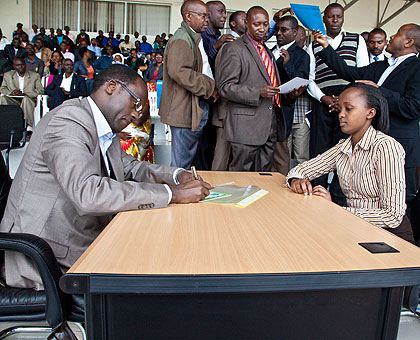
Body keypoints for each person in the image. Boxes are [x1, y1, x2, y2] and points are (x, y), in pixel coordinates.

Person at [0, 64, 211, 292]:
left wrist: (177, 176)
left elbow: (131, 168)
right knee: (158, 265)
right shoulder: (68, 122)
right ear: (112, 87)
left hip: (76, 239)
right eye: (135, 103)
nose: (135, 115)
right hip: (45, 256)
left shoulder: (100, 126)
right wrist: (171, 194)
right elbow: (87, 193)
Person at [287, 82, 414, 243]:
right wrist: (296, 181)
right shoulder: (343, 147)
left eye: (349, 108)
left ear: (370, 113)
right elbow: (301, 169)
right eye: (339, 109)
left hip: (389, 237)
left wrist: (335, 210)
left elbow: (392, 216)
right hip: (354, 229)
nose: (341, 115)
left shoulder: (385, 147)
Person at [312, 23, 420, 206]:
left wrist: (379, 92)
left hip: (398, 145)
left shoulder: (416, 68)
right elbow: (349, 72)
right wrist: (326, 47)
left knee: (397, 203)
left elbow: (413, 107)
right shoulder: (380, 66)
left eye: (397, 33)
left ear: (409, 42)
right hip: (367, 146)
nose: (391, 37)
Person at [307, 3, 369, 206]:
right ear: (324, 19)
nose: (335, 20)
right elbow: (310, 77)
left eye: (339, 17)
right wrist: (324, 98)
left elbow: (362, 74)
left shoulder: (356, 39)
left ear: (343, 19)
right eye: (331, 17)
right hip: (323, 104)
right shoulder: (314, 43)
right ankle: (317, 197)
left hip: (350, 109)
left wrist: (344, 102)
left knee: (346, 152)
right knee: (320, 150)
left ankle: (339, 201)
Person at [215, 6, 286, 172]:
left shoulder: (265, 49)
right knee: (241, 175)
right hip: (245, 127)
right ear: (246, 24)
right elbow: (225, 87)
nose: (262, 29)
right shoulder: (234, 48)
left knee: (263, 176)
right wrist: (257, 92)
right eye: (257, 24)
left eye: (265, 24)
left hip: (269, 122)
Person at [159, 0, 217, 169]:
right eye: (203, 15)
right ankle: (177, 193)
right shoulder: (182, 40)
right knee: (181, 164)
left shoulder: (192, 37)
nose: (207, 19)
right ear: (188, 17)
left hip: (191, 108)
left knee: (187, 160)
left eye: (207, 16)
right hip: (183, 110)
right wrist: (209, 88)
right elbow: (179, 72)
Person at [271, 16, 310, 174]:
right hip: (266, 109)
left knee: (284, 154)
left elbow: (301, 80)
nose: (278, 33)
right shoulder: (268, 50)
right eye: (277, 29)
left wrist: (287, 65)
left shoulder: (301, 56)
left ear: (295, 33)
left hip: (286, 109)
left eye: (284, 30)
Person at [0, 57, 44, 128]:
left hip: (29, 99)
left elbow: (40, 90)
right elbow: (2, 88)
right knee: (3, 98)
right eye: (18, 65)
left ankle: (27, 126)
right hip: (14, 99)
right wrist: (11, 92)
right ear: (14, 66)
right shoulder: (8, 75)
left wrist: (26, 94)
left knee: (26, 99)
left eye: (22, 64)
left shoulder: (34, 76)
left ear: (25, 65)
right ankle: (7, 125)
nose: (21, 67)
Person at [202, 0, 234, 72]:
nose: (225, 16)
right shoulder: (201, 35)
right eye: (221, 12)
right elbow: (204, 64)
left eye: (225, 12)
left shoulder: (217, 35)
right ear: (208, 14)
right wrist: (218, 45)